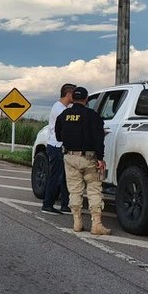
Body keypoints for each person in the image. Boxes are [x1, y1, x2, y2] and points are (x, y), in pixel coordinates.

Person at [54, 86, 111, 235]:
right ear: (86, 99)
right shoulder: (92, 115)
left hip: (69, 157)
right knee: (94, 190)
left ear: (73, 98)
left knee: (74, 191)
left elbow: (59, 136)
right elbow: (99, 139)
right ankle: (97, 225)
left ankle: (77, 223)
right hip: (89, 159)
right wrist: (101, 158)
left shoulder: (64, 115)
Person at [41, 83, 76, 215]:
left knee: (64, 177)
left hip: (58, 145)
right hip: (56, 146)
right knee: (55, 176)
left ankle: (65, 205)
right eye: (74, 94)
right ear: (68, 94)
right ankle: (47, 204)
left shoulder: (61, 107)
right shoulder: (60, 109)